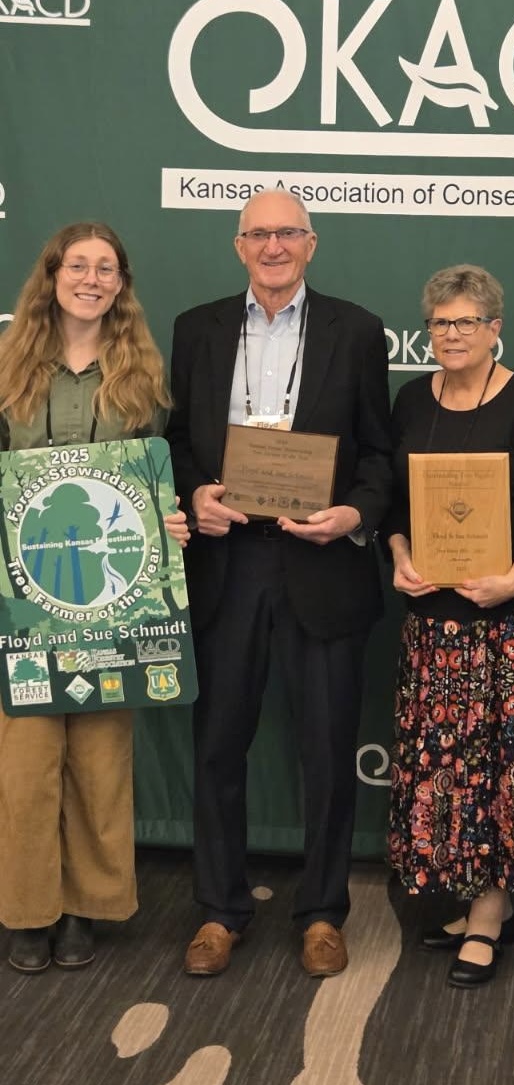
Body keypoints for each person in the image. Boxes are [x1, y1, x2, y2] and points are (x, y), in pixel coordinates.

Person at [167, 189, 392, 979]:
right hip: (229, 564)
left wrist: (351, 515)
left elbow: (377, 453)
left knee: (328, 750)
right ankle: (220, 909)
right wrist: (194, 494)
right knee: (219, 745)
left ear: (311, 243)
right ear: (237, 246)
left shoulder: (356, 330)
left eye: (286, 233)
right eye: (257, 233)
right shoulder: (195, 329)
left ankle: (323, 910)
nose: (272, 245)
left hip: (320, 562)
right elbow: (177, 442)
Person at [385, 264, 514, 989]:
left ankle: (491, 910)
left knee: (506, 768)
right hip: (435, 623)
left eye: (466, 321)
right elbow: (395, 506)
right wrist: (401, 553)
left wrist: (513, 578)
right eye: (440, 322)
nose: (451, 334)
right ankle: (476, 896)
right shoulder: (410, 399)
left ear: (495, 329)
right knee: (451, 771)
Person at [0, 221, 189, 974]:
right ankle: (27, 910)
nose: (90, 277)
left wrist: (168, 512)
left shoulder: (142, 372)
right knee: (25, 760)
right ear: (51, 276)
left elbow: (158, 474)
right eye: (76, 264)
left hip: (114, 594)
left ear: (121, 282)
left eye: (105, 266)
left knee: (103, 755)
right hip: (23, 593)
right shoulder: (9, 364)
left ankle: (86, 906)